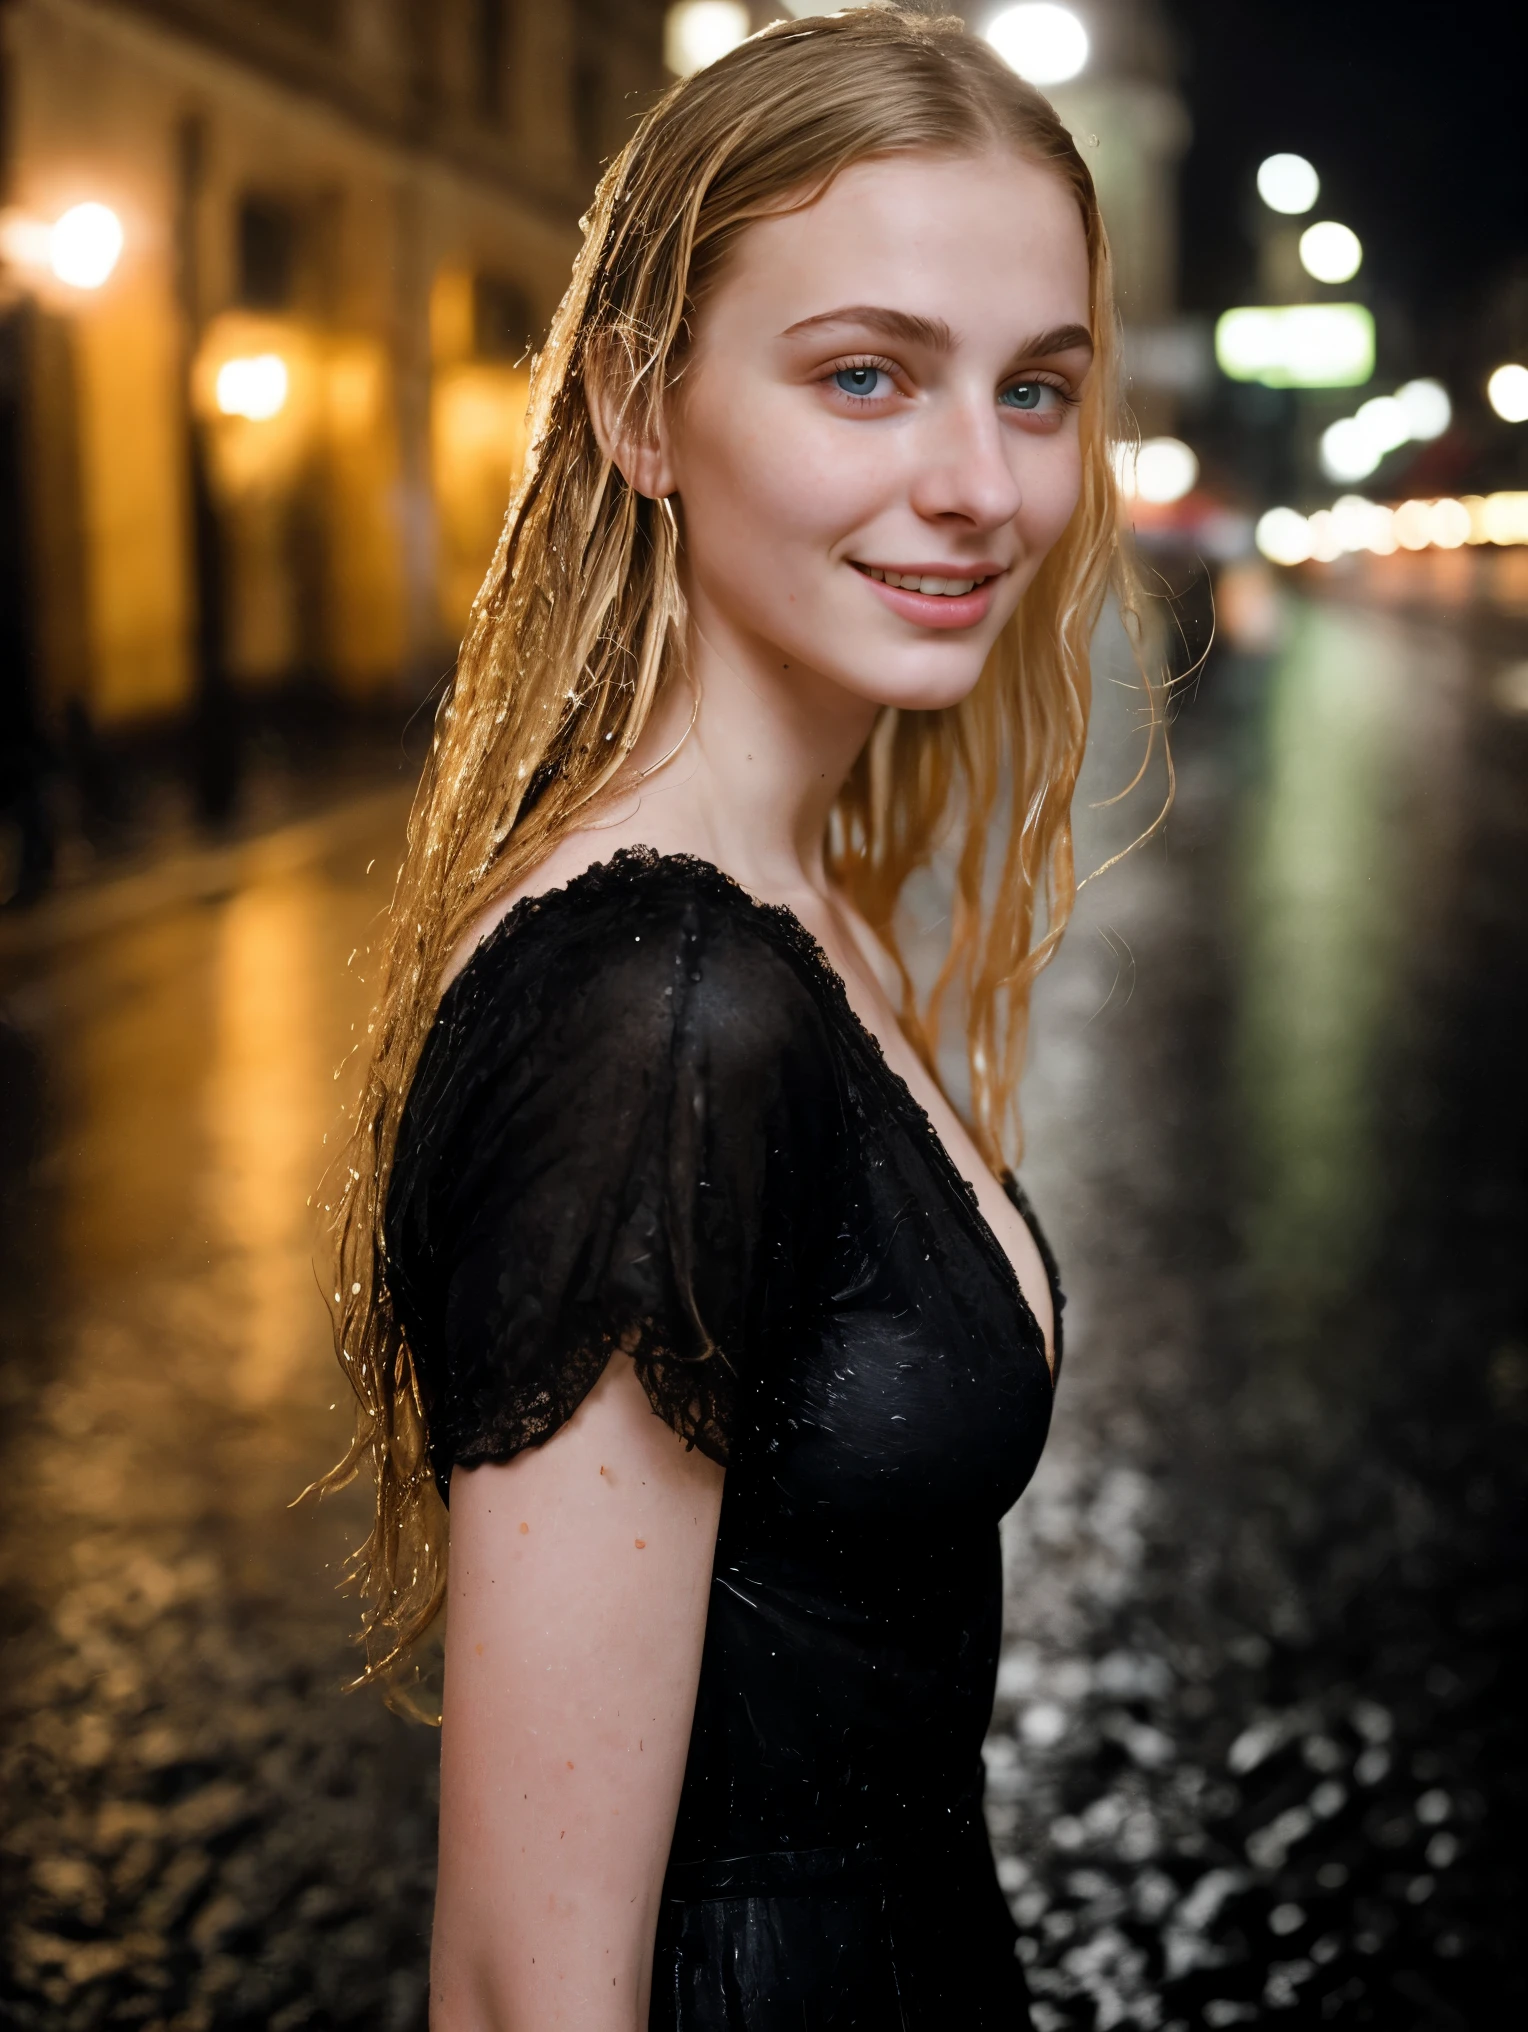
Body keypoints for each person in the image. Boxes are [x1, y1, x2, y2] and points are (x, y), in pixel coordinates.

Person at [322, 10, 1149, 2026]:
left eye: (1032, 390)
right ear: (636, 407)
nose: (976, 484)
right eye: (863, 375)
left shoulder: (795, 910)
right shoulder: (656, 996)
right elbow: (528, 1974)